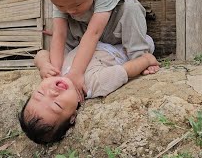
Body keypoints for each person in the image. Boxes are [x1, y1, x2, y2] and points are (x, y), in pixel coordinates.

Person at [18, 41, 159, 144]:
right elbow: (125, 70)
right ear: (73, 116)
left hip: (93, 37)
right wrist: (146, 60)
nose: (52, 92)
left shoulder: (53, 71)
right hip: (124, 42)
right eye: (57, 104)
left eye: (40, 94)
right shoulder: (93, 84)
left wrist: (43, 65)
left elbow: (41, 54)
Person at [40, 0, 160, 99]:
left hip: (112, 33)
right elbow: (59, 34)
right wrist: (55, 72)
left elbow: (94, 32)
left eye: (77, 4)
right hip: (82, 37)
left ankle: (140, 57)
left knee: (131, 5)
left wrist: (76, 72)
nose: (70, 10)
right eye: (60, 5)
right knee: (59, 31)